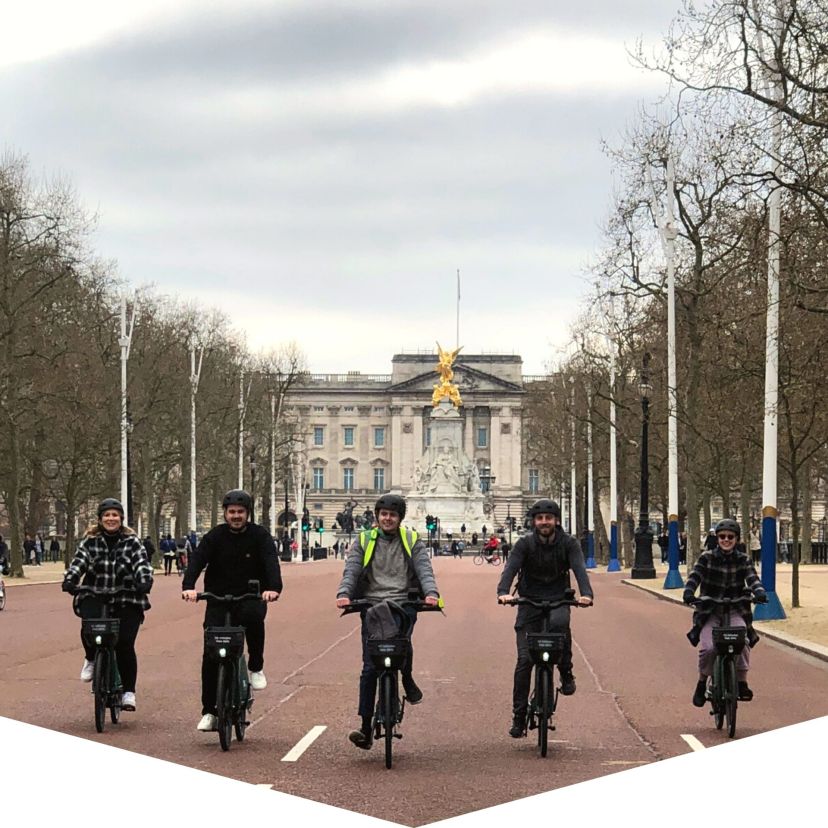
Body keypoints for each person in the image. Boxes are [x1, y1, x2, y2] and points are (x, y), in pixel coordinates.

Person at [335, 493, 441, 750]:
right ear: (377, 516)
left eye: (392, 515)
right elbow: (352, 569)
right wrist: (344, 593)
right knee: (369, 667)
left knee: (402, 642)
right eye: (384, 514)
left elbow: (424, 569)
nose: (387, 519)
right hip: (372, 604)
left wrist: (431, 593)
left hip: (404, 602)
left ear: (400, 518)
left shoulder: (411, 539)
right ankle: (365, 726)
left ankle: (406, 677)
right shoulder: (364, 539)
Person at [182, 489, 282, 733]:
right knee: (210, 654)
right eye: (232, 512)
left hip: (249, 596)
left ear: (248, 513)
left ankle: (256, 667)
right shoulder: (214, 536)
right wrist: (188, 587)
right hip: (217, 598)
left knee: (254, 620)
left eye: (240, 512)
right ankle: (209, 711)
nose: (236, 516)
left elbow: (271, 562)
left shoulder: (260, 536)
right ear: (225, 513)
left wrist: (273, 588)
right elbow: (197, 560)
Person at [497, 498, 593, 738]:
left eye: (548, 518)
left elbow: (579, 568)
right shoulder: (524, 544)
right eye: (539, 519)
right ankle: (519, 716)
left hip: (558, 597)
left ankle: (566, 671)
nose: (544, 522)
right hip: (529, 600)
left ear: (556, 521)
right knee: (524, 660)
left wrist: (587, 594)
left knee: (561, 626)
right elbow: (511, 568)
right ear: (534, 522)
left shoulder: (569, 543)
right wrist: (503, 592)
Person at [61, 498, 153, 713]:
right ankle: (91, 658)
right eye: (107, 515)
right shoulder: (90, 542)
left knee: (125, 644)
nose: (111, 519)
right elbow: (78, 563)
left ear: (121, 518)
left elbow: (141, 564)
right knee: (88, 627)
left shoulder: (132, 542)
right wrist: (71, 580)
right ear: (100, 519)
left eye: (115, 515)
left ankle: (128, 692)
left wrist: (144, 581)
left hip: (126, 597)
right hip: (95, 593)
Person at [683, 517, 768, 707]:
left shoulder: (743, 559)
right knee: (709, 648)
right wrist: (689, 592)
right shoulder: (706, 558)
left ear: (736, 539)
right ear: (717, 538)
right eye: (722, 536)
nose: (726, 540)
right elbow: (695, 576)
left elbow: (752, 578)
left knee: (742, 641)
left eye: (730, 536)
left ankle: (742, 682)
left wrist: (759, 592)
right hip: (710, 610)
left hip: (736, 608)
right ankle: (702, 682)